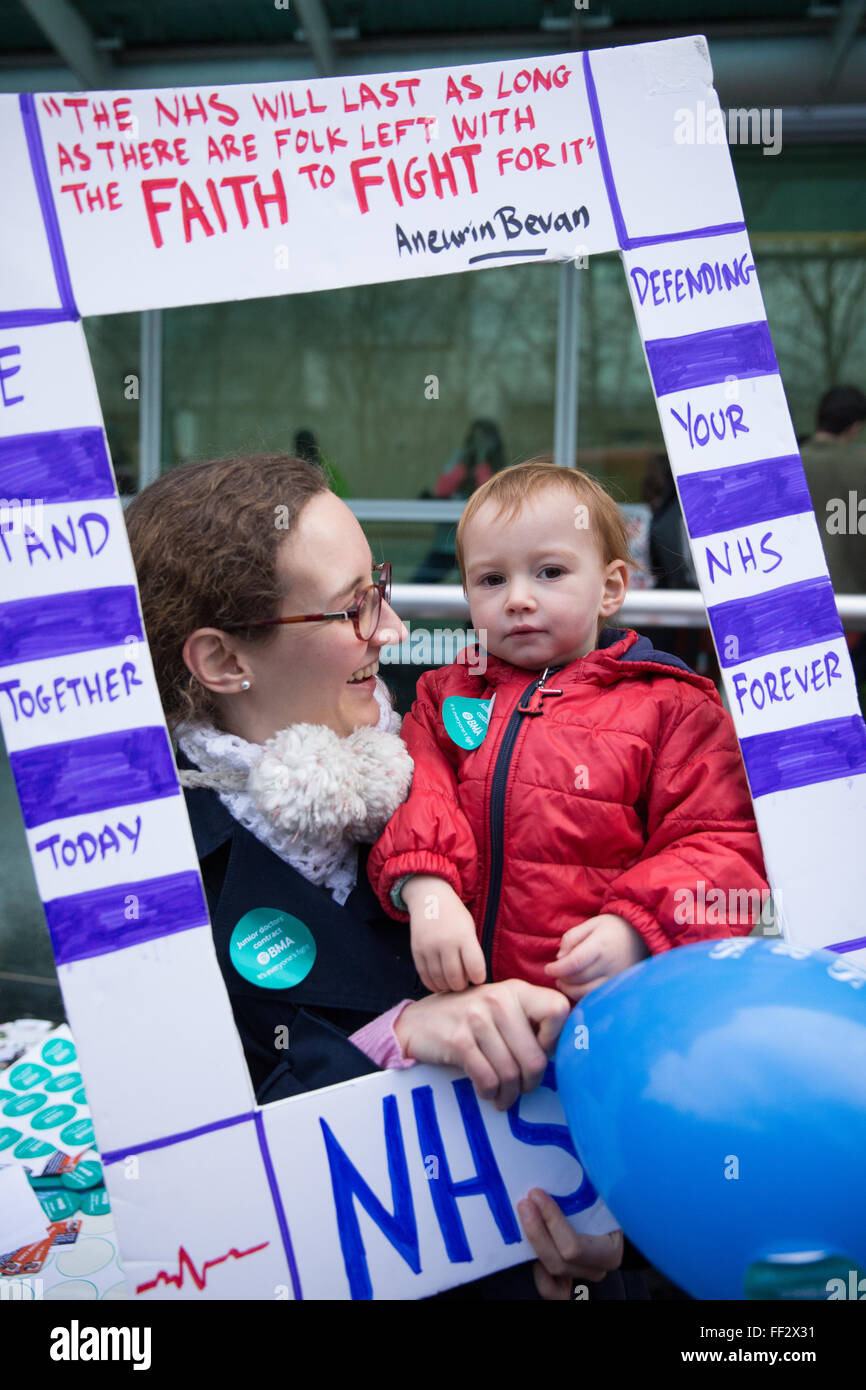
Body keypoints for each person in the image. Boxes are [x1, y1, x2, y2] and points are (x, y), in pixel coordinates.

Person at [124, 453, 626, 1300]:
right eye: (354, 605)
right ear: (219, 661)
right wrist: (394, 1041)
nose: (391, 629)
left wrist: (616, 1235)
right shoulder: (141, 887)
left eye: (380, 587)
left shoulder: (465, 759)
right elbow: (180, 1202)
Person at [368, 458, 769, 997]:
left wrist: (640, 928)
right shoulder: (447, 693)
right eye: (491, 580)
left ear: (610, 588)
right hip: (465, 1008)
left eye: (550, 572)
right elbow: (419, 794)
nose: (518, 598)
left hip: (610, 1011)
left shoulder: (673, 710)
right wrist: (427, 889)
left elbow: (721, 843)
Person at [799, 385, 866, 698]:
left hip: (796, 608)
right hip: (850, 609)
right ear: (855, 427)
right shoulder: (859, 468)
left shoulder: (786, 466)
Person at [413, 419, 506, 583]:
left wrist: (482, 460)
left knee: (480, 588)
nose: (479, 443)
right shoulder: (460, 458)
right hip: (446, 544)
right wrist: (465, 458)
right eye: (475, 438)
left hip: (477, 546)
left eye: (484, 439)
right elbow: (443, 490)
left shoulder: (498, 468)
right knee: (419, 584)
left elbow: (487, 494)